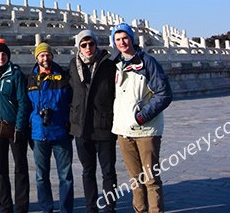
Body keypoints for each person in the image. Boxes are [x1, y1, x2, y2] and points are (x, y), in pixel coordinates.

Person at [110, 23, 172, 213]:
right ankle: (140, 210)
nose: (122, 42)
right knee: (135, 179)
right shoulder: (116, 64)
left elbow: (164, 94)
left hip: (145, 131)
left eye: (125, 38)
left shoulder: (147, 62)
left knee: (151, 178)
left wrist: (141, 117)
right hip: (124, 131)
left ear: (132, 39)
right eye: (118, 39)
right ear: (114, 41)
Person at [69, 30, 117, 213]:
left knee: (108, 172)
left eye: (91, 44)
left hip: (104, 126)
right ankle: (91, 208)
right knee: (87, 171)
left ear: (97, 45)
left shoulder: (108, 65)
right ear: (79, 47)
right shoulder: (73, 65)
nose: (88, 48)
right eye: (84, 44)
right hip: (82, 128)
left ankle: (109, 208)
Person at [28, 42, 74, 213]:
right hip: (39, 134)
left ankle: (66, 209)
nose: (45, 58)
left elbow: (73, 102)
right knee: (41, 177)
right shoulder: (31, 79)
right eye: (41, 55)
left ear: (52, 56)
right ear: (37, 58)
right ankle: (46, 208)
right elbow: (27, 106)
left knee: (66, 176)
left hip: (61, 131)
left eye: (48, 55)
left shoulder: (64, 77)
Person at [0, 39, 30, 213]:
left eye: (3, 54)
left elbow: (23, 102)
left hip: (14, 127)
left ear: (8, 56)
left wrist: (20, 127)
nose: (0, 57)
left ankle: (21, 207)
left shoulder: (16, 75)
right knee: (1, 169)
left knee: (20, 167)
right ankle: (5, 206)